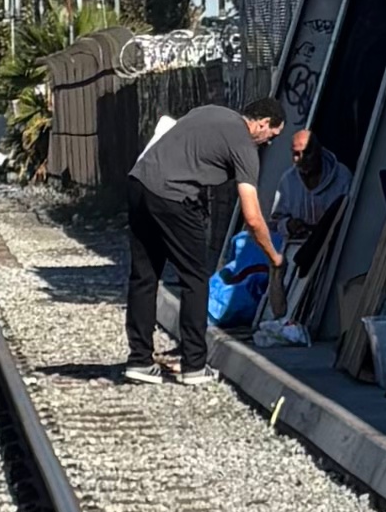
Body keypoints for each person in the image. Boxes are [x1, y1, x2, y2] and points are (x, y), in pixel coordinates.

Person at [123, 95, 291, 383]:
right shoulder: (244, 146)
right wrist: (274, 256)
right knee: (195, 279)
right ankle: (194, 365)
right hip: (172, 197)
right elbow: (252, 217)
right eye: (271, 135)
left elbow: (186, 152)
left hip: (139, 184)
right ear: (262, 124)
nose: (268, 143)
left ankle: (139, 360)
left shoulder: (210, 111)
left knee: (144, 276)